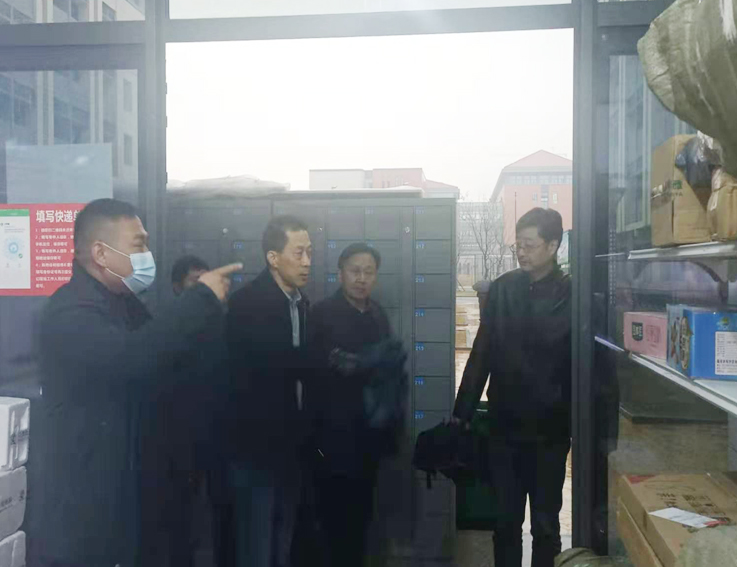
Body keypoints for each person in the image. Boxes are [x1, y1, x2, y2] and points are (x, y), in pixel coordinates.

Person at [32, 199, 241, 567]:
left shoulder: (124, 303)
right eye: (138, 244)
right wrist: (200, 298)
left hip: (130, 498)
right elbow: (133, 357)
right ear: (101, 253)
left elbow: (163, 359)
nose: (147, 255)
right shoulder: (70, 312)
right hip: (88, 511)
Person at [453, 208, 571, 567]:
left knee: (546, 525)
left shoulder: (571, 295)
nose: (521, 252)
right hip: (505, 429)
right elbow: (482, 354)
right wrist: (461, 413)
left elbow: (589, 366)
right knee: (505, 523)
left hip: (550, 432)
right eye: (518, 245)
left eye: (529, 245)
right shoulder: (504, 289)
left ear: (552, 246)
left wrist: (598, 430)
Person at [309, 243, 403, 567]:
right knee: (331, 522)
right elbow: (317, 370)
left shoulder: (377, 314)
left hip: (369, 436)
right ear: (341, 274)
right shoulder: (322, 314)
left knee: (362, 518)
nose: (361, 279)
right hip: (332, 438)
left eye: (368, 272)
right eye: (355, 271)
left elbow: (388, 374)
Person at [226, 215, 312, 567]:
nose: (307, 262)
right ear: (273, 258)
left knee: (283, 540)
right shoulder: (247, 304)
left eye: (310, 252)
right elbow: (262, 370)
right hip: (256, 448)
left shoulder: (300, 303)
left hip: (291, 445)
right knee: (257, 544)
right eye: (299, 253)